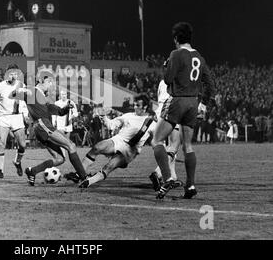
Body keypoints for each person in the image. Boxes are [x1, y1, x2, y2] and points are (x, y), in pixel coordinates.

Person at [151, 22, 214, 200]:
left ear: (177, 38)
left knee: (157, 140)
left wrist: (167, 66)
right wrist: (204, 104)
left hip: (177, 101)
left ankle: (168, 177)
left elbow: (168, 78)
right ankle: (191, 185)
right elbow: (210, 84)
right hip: (193, 103)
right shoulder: (199, 57)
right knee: (188, 146)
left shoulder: (176, 54)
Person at [11, 73, 87, 186]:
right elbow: (13, 94)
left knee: (60, 159)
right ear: (41, 81)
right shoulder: (33, 92)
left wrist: (67, 107)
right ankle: (84, 177)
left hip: (41, 127)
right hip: (43, 125)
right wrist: (20, 87)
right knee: (71, 146)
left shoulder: (43, 97)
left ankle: (32, 171)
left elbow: (60, 112)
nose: (51, 85)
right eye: (49, 82)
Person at [73, 94, 156, 188]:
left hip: (130, 150)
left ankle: (89, 182)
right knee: (97, 147)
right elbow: (111, 125)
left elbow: (156, 140)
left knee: (109, 166)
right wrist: (104, 117)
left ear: (145, 107)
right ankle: (79, 174)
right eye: (134, 104)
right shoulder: (128, 116)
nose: (135, 107)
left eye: (138, 105)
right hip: (118, 140)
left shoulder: (151, 122)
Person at [0, 64, 28, 179]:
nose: (13, 76)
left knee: (22, 145)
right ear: (6, 74)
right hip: (3, 117)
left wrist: (25, 114)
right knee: (1, 143)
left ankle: (17, 162)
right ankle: (0, 170)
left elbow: (23, 102)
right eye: (10, 73)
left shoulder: (21, 86)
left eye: (15, 73)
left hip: (17, 117)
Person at [149, 64, 183, 191]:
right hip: (172, 112)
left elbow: (159, 99)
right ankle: (158, 173)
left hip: (160, 113)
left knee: (165, 147)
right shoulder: (179, 80)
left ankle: (172, 177)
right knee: (174, 145)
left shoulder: (162, 81)